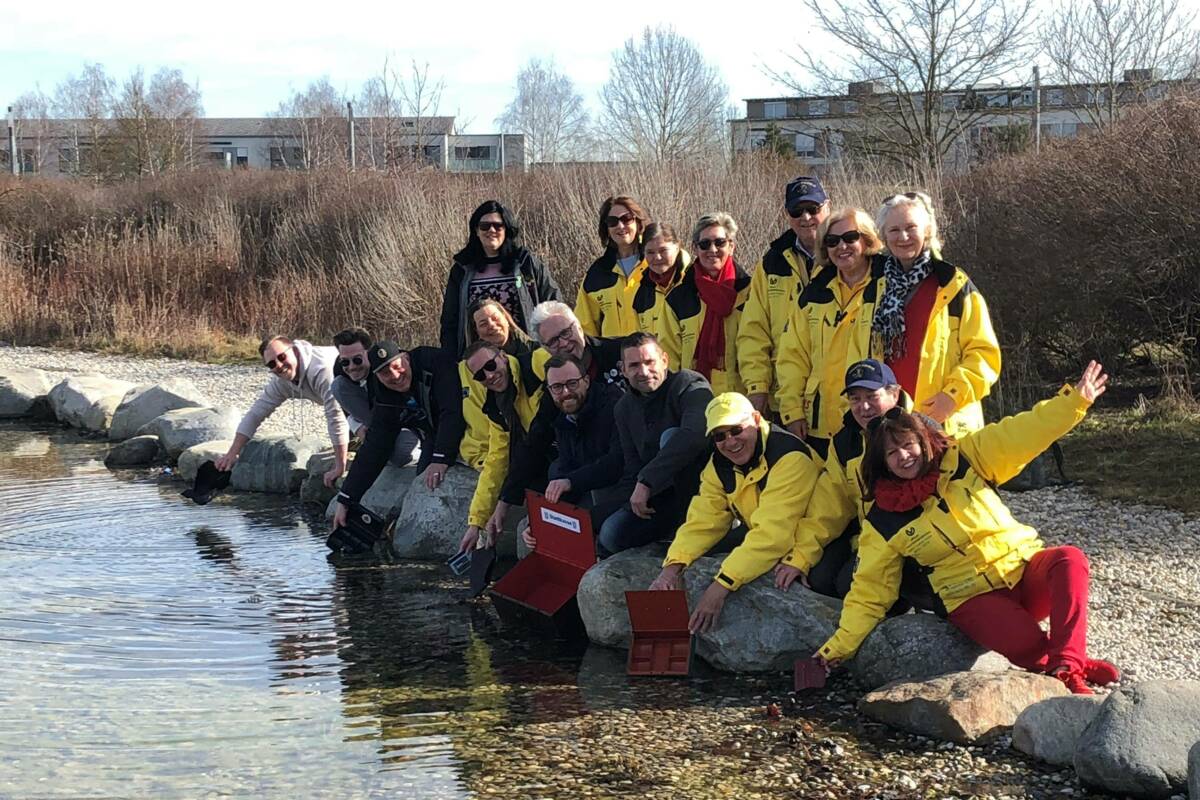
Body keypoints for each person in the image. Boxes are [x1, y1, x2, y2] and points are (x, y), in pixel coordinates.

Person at [816, 362, 1120, 695]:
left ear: (922, 439)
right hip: (971, 598)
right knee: (1028, 650)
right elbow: (869, 593)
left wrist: (1072, 402)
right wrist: (834, 650)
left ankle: (1068, 664)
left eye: (908, 446)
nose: (903, 457)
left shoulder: (964, 457)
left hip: (1019, 568)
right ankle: (1069, 664)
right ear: (880, 462)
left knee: (1069, 560)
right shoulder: (882, 519)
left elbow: (1024, 432)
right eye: (891, 453)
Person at [648, 392, 822, 633]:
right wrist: (672, 568)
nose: (730, 442)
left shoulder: (789, 457)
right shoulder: (718, 464)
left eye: (737, 430)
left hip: (811, 536)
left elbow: (773, 536)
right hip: (764, 528)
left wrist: (720, 588)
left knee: (822, 580)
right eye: (720, 436)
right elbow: (703, 521)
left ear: (757, 418)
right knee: (703, 554)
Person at [775, 359, 912, 599]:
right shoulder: (844, 443)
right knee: (818, 578)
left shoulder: (916, 433)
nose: (864, 407)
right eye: (855, 399)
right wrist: (799, 558)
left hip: (908, 542)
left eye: (872, 396)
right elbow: (829, 507)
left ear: (895, 394)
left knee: (848, 586)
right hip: (865, 536)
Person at [872, 192, 1000, 436]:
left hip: (945, 422)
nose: (904, 237)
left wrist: (951, 397)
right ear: (884, 237)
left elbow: (984, 355)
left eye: (911, 227)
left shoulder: (954, 285)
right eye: (894, 230)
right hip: (893, 426)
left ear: (927, 231)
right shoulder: (875, 287)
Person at [776, 208, 884, 459]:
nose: (841, 246)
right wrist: (792, 410)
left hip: (874, 419)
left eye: (850, 237)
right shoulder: (814, 294)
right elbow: (792, 356)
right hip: (820, 425)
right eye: (832, 241)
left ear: (866, 239)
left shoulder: (888, 286)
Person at [598, 332, 713, 556]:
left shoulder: (689, 384)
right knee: (609, 534)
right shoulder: (623, 408)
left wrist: (647, 480)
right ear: (623, 370)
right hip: (658, 499)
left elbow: (695, 434)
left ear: (665, 360)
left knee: (671, 437)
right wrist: (594, 516)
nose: (643, 372)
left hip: (704, 491)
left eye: (649, 362)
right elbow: (632, 469)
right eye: (634, 365)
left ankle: (696, 529)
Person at [333, 341, 466, 528]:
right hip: (432, 434)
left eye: (397, 366)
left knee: (438, 467)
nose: (395, 376)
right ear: (376, 376)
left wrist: (441, 458)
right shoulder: (383, 393)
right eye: (385, 373)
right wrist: (346, 498)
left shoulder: (433, 362)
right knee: (422, 481)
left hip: (466, 422)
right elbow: (375, 446)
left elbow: (452, 411)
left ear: (406, 358)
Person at [737, 176, 830, 415]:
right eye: (796, 211)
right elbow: (753, 330)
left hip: (834, 397)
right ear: (786, 215)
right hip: (783, 397)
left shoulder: (845, 257)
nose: (806, 217)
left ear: (828, 207)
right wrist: (757, 387)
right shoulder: (771, 262)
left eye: (813, 209)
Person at [519, 354, 625, 551]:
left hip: (627, 488)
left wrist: (571, 482)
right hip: (591, 485)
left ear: (586, 381)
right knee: (533, 530)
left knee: (605, 532)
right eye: (557, 387)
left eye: (572, 383)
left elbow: (617, 462)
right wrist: (540, 518)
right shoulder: (563, 417)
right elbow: (567, 468)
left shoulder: (614, 406)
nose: (566, 392)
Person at [216, 335, 348, 487]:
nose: (279, 365)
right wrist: (233, 453)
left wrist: (339, 467)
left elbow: (335, 417)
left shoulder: (322, 370)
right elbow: (255, 414)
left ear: (295, 351)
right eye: (272, 364)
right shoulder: (281, 382)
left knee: (357, 423)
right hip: (348, 401)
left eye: (282, 357)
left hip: (365, 389)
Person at [440, 200, 561, 358]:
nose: (491, 230)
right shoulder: (462, 270)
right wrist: (450, 360)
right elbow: (450, 320)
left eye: (498, 226)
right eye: (485, 226)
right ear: (476, 230)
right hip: (479, 361)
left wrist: (555, 347)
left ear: (507, 229)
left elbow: (552, 303)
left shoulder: (525, 263)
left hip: (526, 354)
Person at [457, 340, 547, 553]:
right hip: (540, 457)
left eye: (490, 366)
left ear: (503, 357)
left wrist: (504, 504)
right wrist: (476, 523)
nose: (489, 376)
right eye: (480, 375)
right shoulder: (496, 408)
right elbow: (497, 461)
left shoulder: (535, 364)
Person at [658, 212, 751, 395]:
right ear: (695, 249)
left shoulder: (750, 292)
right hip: (694, 397)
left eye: (720, 242)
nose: (712, 249)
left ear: (731, 246)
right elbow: (669, 357)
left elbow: (758, 347)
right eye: (704, 244)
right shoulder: (679, 299)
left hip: (742, 398)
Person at [458, 298, 534, 471]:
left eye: (494, 317)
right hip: (494, 454)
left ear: (505, 317)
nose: (491, 325)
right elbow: (477, 419)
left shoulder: (535, 353)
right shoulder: (468, 370)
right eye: (483, 323)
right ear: (476, 331)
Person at [331, 327, 421, 466]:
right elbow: (346, 407)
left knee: (398, 455)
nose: (352, 367)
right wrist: (358, 428)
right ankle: (375, 437)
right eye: (345, 362)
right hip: (378, 420)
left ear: (369, 353)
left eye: (357, 360)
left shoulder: (389, 365)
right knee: (338, 386)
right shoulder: (340, 370)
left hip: (409, 417)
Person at [575, 195, 651, 338]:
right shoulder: (597, 274)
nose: (620, 226)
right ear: (606, 228)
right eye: (612, 222)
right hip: (613, 358)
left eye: (627, 218)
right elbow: (585, 329)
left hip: (652, 357)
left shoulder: (655, 263)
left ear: (638, 222)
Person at [527, 301, 625, 388]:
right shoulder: (554, 382)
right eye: (553, 341)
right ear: (545, 348)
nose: (564, 343)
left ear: (579, 327)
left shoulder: (620, 352)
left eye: (565, 333)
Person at [631, 222, 691, 334]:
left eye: (663, 251)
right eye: (650, 252)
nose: (657, 257)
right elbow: (641, 341)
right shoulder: (642, 293)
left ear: (677, 247)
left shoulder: (693, 282)